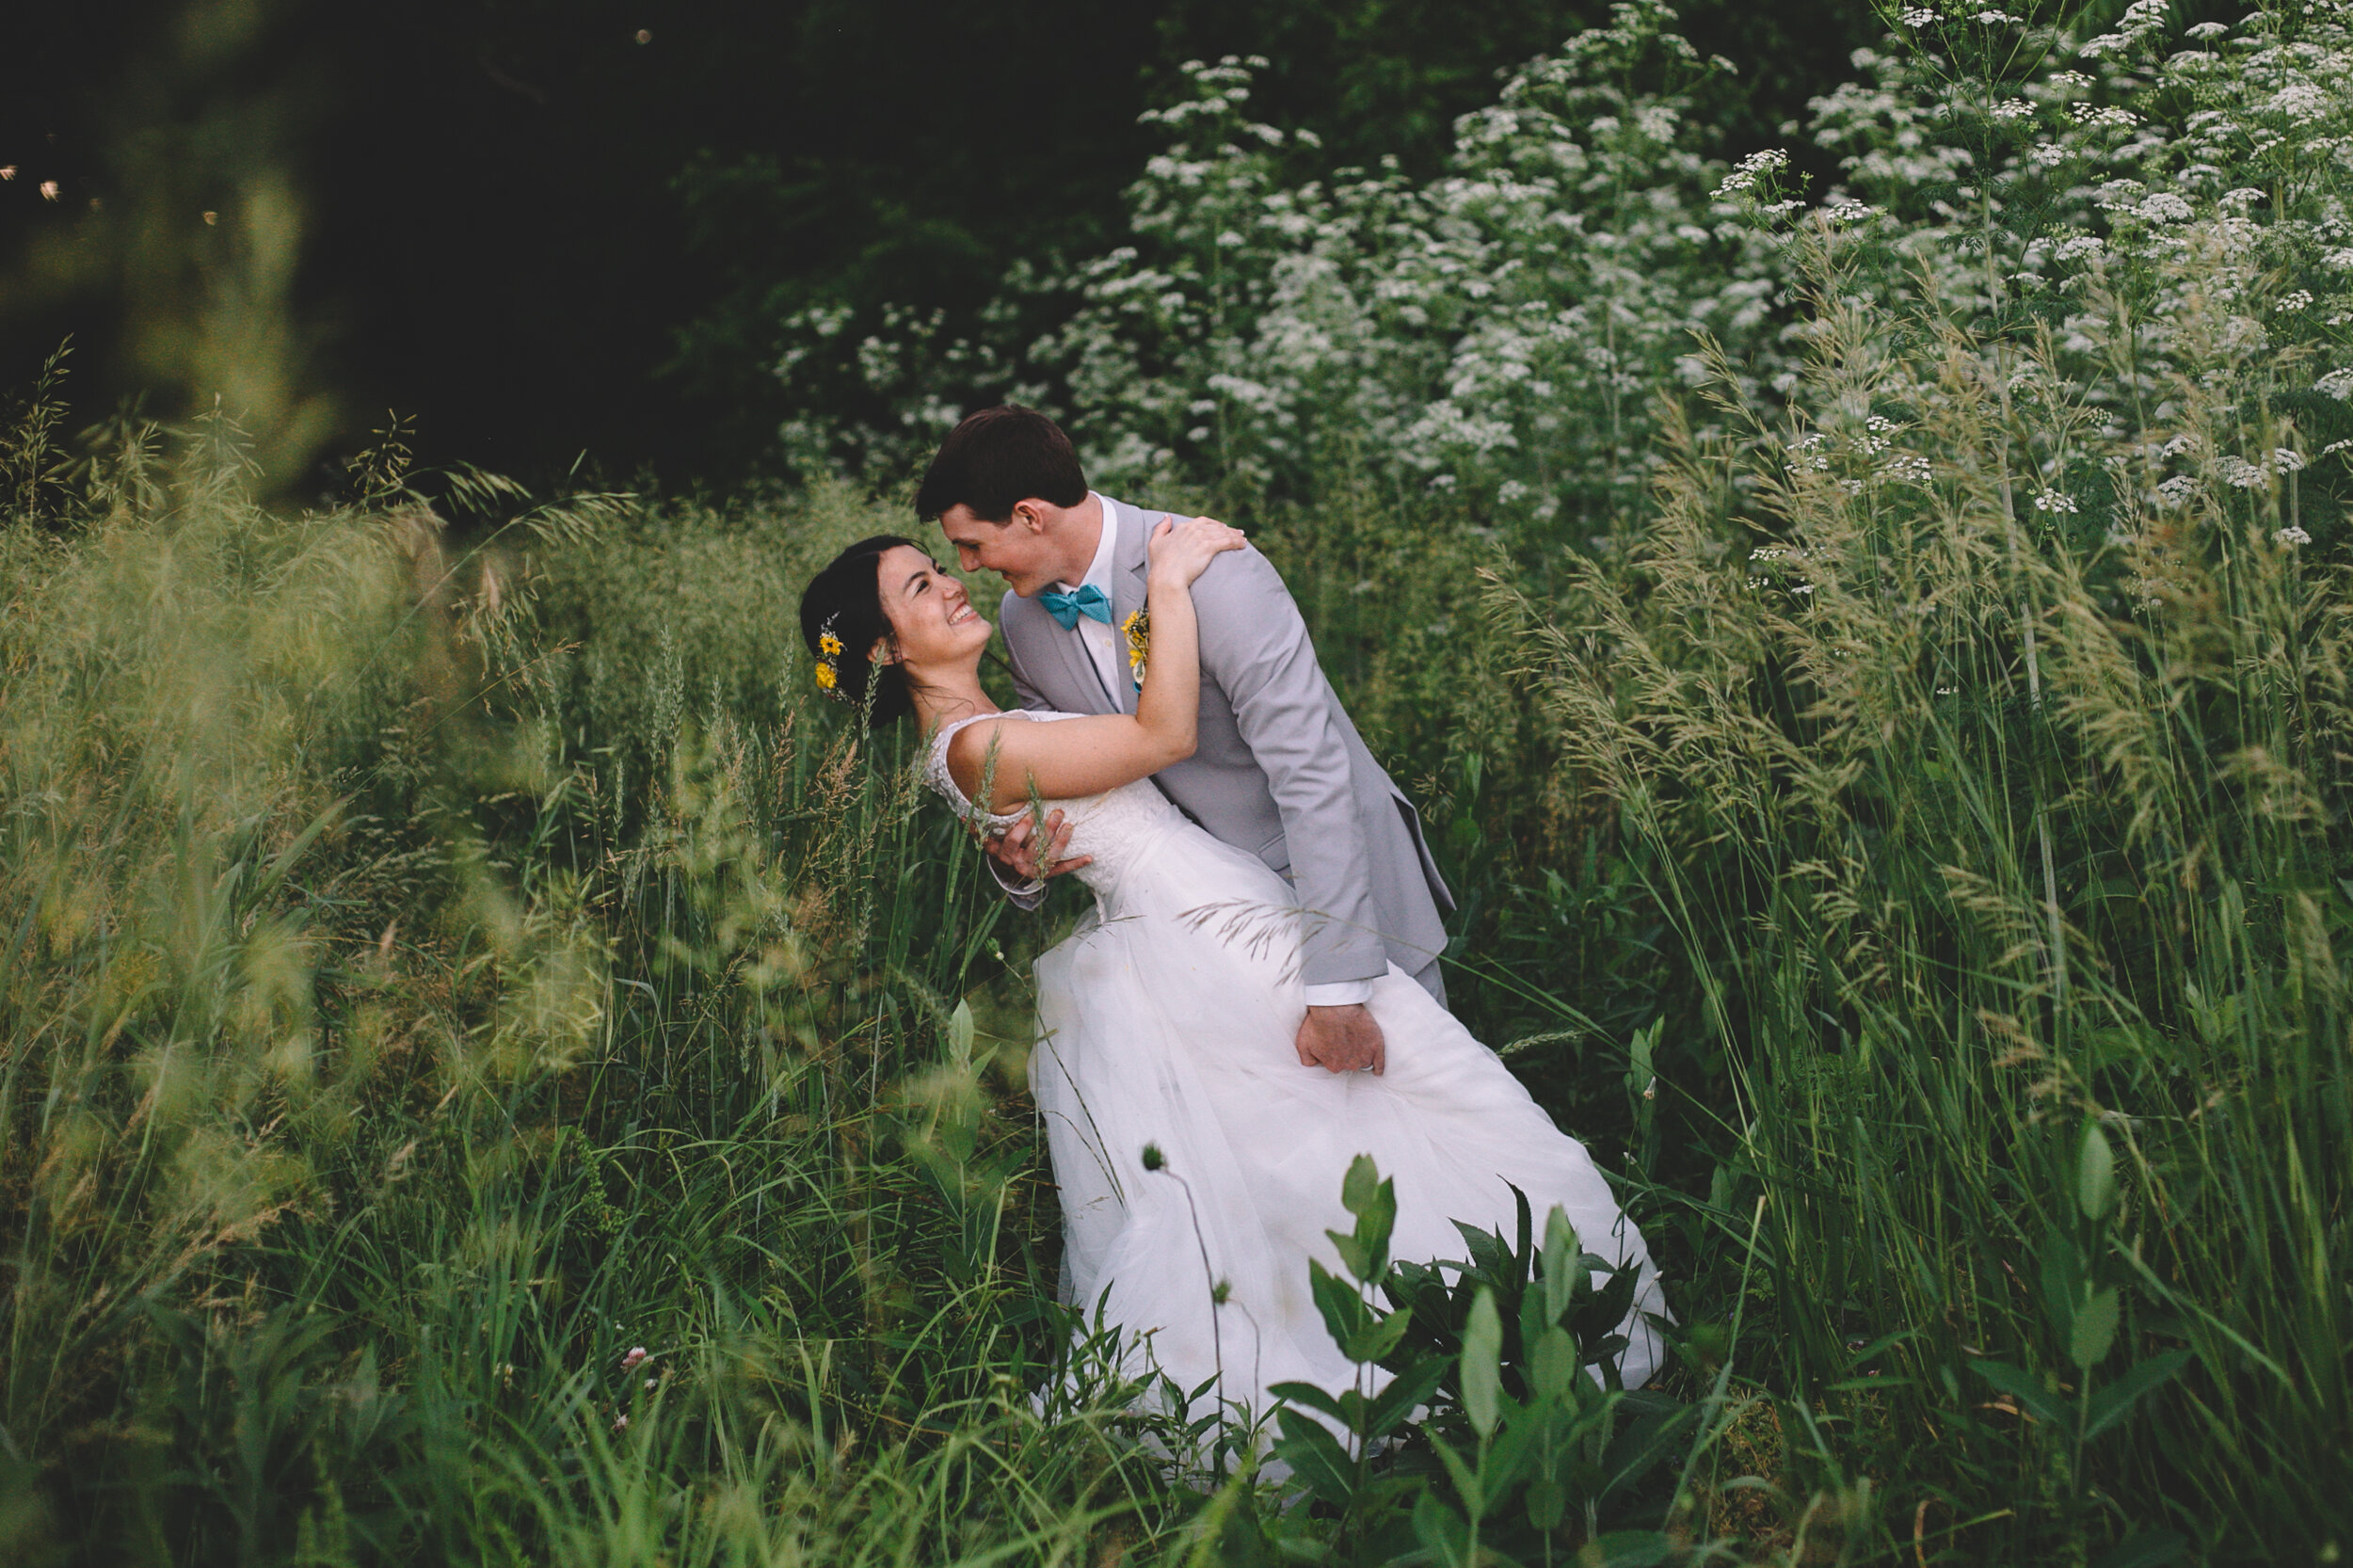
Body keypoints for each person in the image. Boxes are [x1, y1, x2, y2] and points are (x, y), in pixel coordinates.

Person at [795, 507, 1667, 1425]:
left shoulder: (980, 728)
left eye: (939, 565)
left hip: (1203, 909)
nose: (950, 583)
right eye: (919, 587)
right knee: (1363, 1119)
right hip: (1195, 932)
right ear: (887, 651)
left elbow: (1047, 827)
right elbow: (1162, 736)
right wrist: (1167, 583)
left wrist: (1016, 861)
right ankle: (1451, 1352)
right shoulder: (974, 745)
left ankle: (1443, 1338)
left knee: (1327, 1140)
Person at [917, 405, 1450, 1079]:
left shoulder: (1216, 569)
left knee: (1429, 1116)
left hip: (1338, 905)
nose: (965, 566)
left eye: (971, 544)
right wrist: (1020, 857)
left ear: (1029, 515)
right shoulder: (1022, 620)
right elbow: (1073, 775)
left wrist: (1339, 989)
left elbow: (1313, 774)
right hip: (1196, 939)